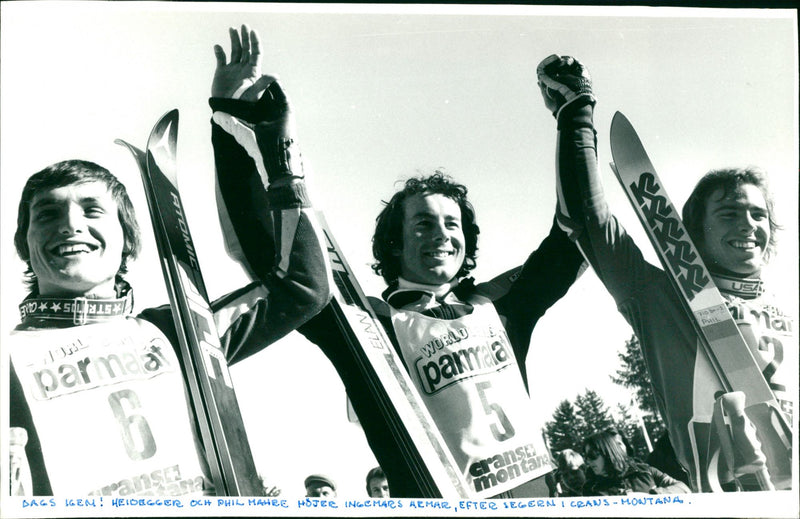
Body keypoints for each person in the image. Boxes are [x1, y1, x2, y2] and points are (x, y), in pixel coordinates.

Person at [217, 33, 586, 499]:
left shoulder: (502, 306)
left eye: (452, 224)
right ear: (393, 244)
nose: (441, 234)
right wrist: (231, 122)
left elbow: (574, 239)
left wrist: (576, 114)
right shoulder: (367, 323)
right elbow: (275, 260)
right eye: (423, 224)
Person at [7, 25, 330, 496]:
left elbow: (301, 289)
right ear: (24, 242)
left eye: (92, 211)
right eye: (48, 214)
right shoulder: (8, 361)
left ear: (127, 241)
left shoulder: (179, 332)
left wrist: (274, 154)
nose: (70, 224)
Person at [538, 54, 795, 492]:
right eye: (730, 213)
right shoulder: (661, 298)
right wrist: (576, 113)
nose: (748, 225)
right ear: (695, 228)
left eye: (758, 215)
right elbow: (589, 223)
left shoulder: (788, 307)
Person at [581, 429, 691, 496]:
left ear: (608, 452)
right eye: (585, 457)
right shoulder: (591, 489)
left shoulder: (645, 471)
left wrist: (653, 497)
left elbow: (683, 488)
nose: (588, 461)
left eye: (592, 455)